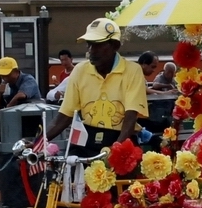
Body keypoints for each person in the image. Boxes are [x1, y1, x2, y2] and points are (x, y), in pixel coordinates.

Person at [45, 18, 148, 156]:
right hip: (86, 139)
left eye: (98, 45)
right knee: (69, 173)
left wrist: (116, 150)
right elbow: (65, 115)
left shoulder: (132, 70)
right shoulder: (80, 70)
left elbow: (130, 116)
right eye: (89, 45)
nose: (91, 50)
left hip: (121, 138)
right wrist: (39, 142)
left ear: (115, 46)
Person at [0, 57, 41, 190]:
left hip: (27, 122)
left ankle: (4, 175)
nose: (5, 77)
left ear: (16, 71)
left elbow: (22, 95)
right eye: (3, 75)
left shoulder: (28, 80)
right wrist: (0, 92)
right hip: (10, 122)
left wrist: (9, 106)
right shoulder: (6, 85)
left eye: (8, 74)